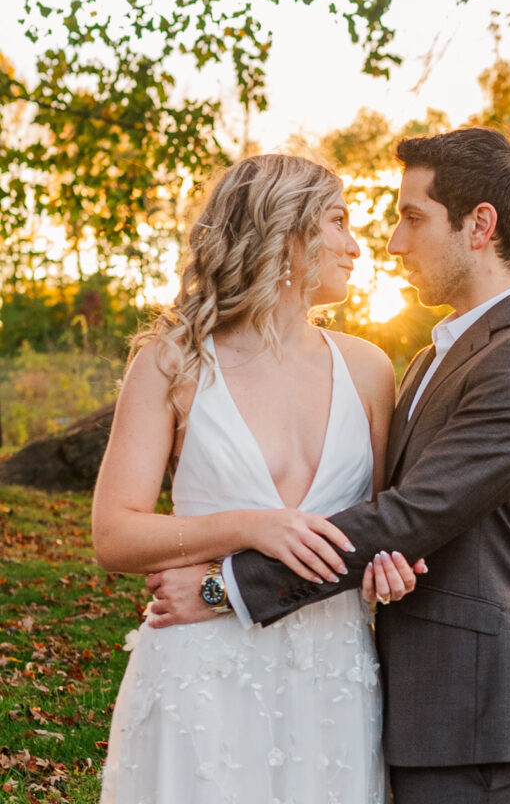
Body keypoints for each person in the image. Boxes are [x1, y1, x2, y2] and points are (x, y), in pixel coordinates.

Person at [150, 128, 510, 804]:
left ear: (479, 225)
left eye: (412, 217)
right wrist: (388, 571)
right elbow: (402, 519)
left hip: (482, 716)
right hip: (409, 705)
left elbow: (413, 515)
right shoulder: (430, 357)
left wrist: (223, 589)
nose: (390, 241)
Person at [92, 153, 420, 804]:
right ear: (284, 231)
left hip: (334, 676)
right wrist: (250, 527)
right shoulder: (173, 361)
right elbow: (114, 533)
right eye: (338, 221)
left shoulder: (369, 369)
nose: (357, 245)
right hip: (200, 671)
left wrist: (392, 565)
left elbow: (382, 525)